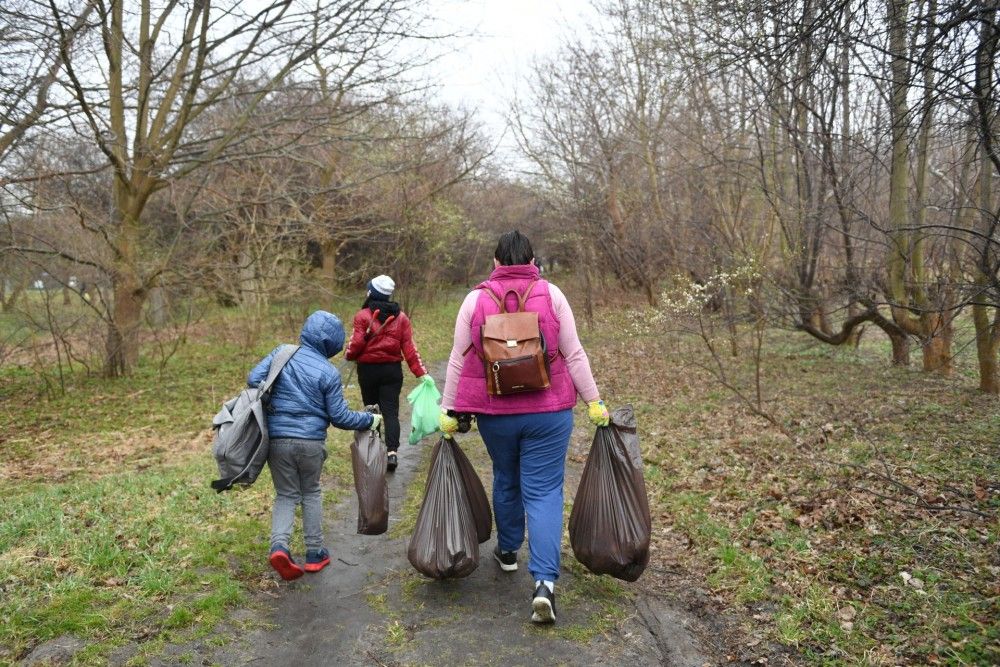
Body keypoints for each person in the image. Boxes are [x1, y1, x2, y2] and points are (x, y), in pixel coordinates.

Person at [438, 230, 610, 624]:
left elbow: (458, 357)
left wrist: (448, 409)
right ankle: (544, 584)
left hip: (496, 414)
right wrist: (594, 401)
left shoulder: (474, 299)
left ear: (496, 262)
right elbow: (574, 352)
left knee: (506, 477)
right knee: (545, 489)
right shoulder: (552, 295)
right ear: (533, 260)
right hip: (550, 414)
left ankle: (509, 550)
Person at [248, 310, 381, 581]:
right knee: (311, 492)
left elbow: (253, 379)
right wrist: (369, 419)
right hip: (311, 443)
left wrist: (276, 395)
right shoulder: (329, 373)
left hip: (277, 441)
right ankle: (314, 553)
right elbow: (340, 417)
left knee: (285, 494)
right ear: (331, 344)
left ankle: (279, 547)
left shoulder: (282, 353)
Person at [345, 274, 431, 473]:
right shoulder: (401, 318)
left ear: (371, 293)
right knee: (390, 412)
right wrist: (421, 373)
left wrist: (349, 355)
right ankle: (392, 453)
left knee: (371, 410)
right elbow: (410, 348)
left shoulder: (363, 316)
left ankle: (375, 452)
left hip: (368, 371)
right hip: (392, 371)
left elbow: (355, 345)